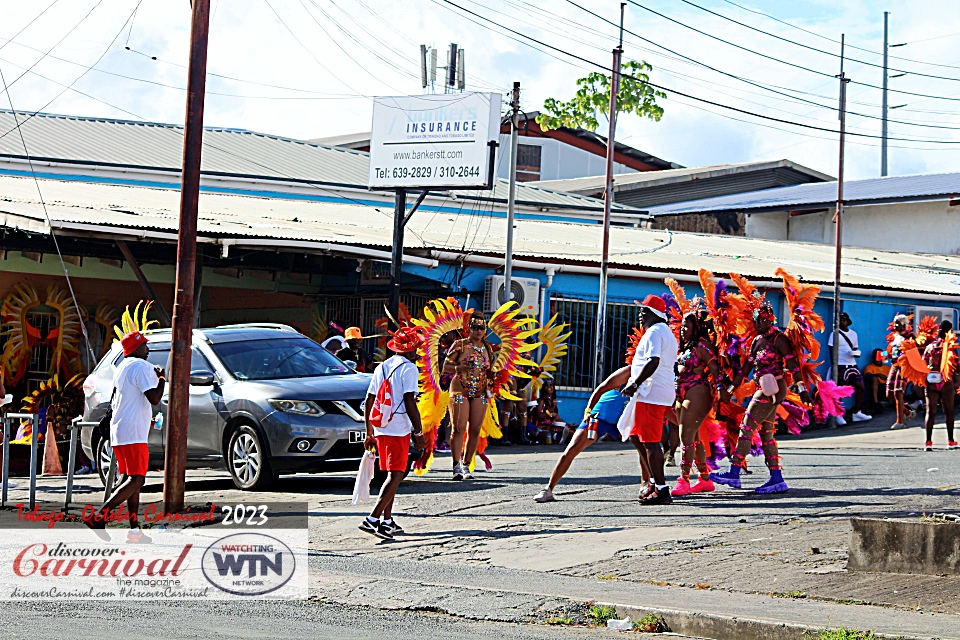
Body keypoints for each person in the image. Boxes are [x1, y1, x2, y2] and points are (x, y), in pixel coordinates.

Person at [711, 302, 812, 494]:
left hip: (774, 387)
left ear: (769, 320)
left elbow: (793, 364)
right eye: (755, 321)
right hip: (763, 386)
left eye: (760, 320)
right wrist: (730, 390)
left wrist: (801, 388)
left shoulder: (778, 339)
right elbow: (746, 369)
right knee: (766, 433)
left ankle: (734, 472)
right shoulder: (757, 340)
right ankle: (776, 478)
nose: (756, 324)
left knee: (747, 425)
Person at [83, 331, 164, 542]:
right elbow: (155, 398)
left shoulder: (121, 368)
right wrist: (162, 378)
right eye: (144, 345)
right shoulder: (141, 367)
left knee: (131, 481)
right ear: (136, 349)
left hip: (119, 431)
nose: (148, 349)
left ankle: (134, 531)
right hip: (133, 433)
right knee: (137, 479)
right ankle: (99, 516)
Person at [359, 326, 426, 541]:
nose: (417, 353)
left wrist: (369, 432)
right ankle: (373, 518)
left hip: (381, 426)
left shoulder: (382, 367)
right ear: (410, 350)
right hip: (398, 428)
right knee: (397, 474)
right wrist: (419, 431)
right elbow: (409, 401)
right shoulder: (410, 369)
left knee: (391, 474)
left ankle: (387, 522)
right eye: (416, 348)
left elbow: (369, 401)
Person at [534, 366, 631, 502]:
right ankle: (548, 489)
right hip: (600, 415)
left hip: (623, 420)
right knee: (572, 449)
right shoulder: (628, 371)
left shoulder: (656, 377)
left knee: (645, 448)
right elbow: (600, 389)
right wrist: (588, 411)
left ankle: (649, 486)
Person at [619, 295, 679, 506]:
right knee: (636, 435)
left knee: (651, 442)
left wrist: (635, 382)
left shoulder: (655, 332)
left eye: (643, 311)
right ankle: (654, 480)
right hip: (654, 393)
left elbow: (653, 361)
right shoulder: (666, 333)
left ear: (653, 314)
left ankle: (662, 490)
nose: (640, 315)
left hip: (650, 393)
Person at [671, 311, 725, 497]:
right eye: (682, 326)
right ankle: (704, 479)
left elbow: (716, 370)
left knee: (685, 436)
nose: (683, 329)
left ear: (697, 327)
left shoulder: (702, 346)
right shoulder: (684, 348)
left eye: (687, 326)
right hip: (681, 393)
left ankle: (683, 480)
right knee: (692, 438)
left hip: (698, 391)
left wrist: (723, 392)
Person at [442, 310, 495, 480]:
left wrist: (493, 377)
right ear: (469, 328)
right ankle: (456, 465)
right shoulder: (460, 345)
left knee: (475, 429)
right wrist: (459, 368)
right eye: (475, 327)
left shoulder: (488, 348)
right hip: (460, 390)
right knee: (458, 428)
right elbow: (445, 367)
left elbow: (489, 370)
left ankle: (466, 465)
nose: (478, 330)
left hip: (479, 392)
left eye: (481, 327)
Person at [827, 311, 872, 425]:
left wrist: (855, 353)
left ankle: (857, 412)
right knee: (840, 390)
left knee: (861, 386)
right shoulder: (834, 334)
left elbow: (855, 348)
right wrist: (835, 366)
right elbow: (831, 351)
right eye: (840, 320)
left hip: (852, 363)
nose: (843, 322)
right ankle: (838, 414)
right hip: (841, 365)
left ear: (848, 321)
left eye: (844, 319)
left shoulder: (853, 334)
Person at [922, 320, 958, 451]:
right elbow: (956, 365)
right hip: (946, 382)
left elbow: (922, 364)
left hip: (931, 381)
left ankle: (928, 442)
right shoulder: (950, 347)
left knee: (930, 412)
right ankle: (950, 441)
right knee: (948, 412)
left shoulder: (930, 347)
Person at [887, 314, 915, 430]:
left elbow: (913, 352)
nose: (896, 325)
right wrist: (885, 356)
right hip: (894, 365)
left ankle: (899, 421)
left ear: (904, 324)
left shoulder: (909, 336)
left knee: (898, 392)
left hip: (904, 367)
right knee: (889, 393)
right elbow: (891, 351)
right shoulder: (895, 336)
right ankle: (908, 412)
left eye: (898, 322)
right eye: (895, 322)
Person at [863, 349, 891, 413]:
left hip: (887, 389)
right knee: (874, 379)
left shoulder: (888, 368)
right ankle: (876, 404)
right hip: (877, 390)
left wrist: (886, 378)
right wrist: (877, 375)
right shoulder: (869, 367)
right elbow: (867, 375)